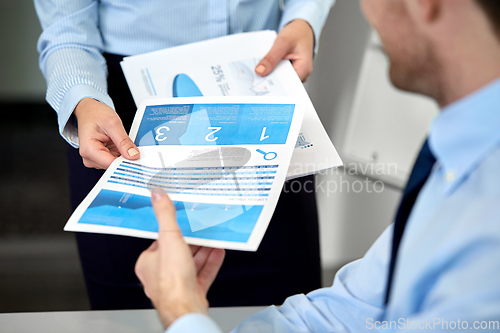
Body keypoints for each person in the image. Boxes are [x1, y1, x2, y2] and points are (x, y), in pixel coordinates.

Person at [135, 0, 500, 331]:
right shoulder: (460, 150)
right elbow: (350, 310)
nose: (366, 10)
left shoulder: (486, 237)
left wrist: (182, 312)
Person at [34, 0, 335, 309]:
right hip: (120, 115)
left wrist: (304, 19)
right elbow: (65, 27)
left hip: (258, 85)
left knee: (287, 306)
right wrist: (82, 98)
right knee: (136, 314)